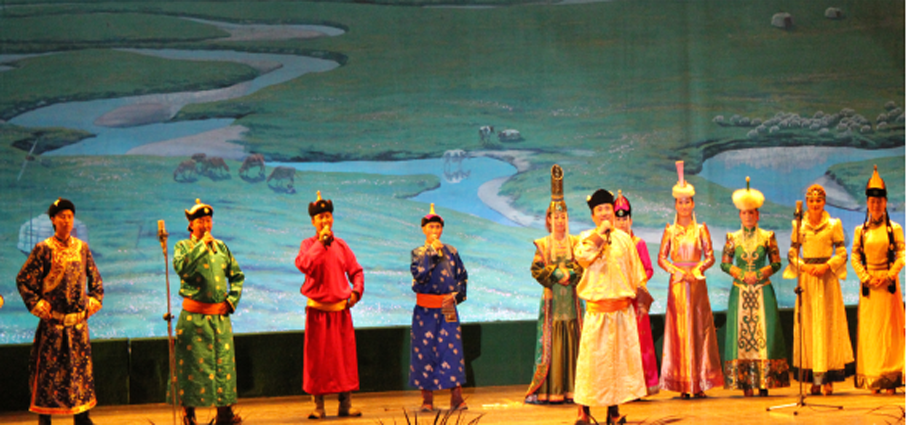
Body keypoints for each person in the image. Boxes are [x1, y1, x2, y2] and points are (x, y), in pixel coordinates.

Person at [17, 198, 103, 425]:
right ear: (53, 220)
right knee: (49, 375)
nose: (66, 220)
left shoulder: (82, 248)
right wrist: (37, 304)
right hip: (53, 325)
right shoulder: (43, 249)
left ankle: (82, 418)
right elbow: (24, 280)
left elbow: (95, 279)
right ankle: (45, 420)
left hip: (78, 326)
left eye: (70, 216)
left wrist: (94, 300)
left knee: (80, 375)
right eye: (62, 216)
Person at [573, 189, 648, 425]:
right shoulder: (586, 238)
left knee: (617, 364)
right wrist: (601, 234)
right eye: (599, 210)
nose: (605, 213)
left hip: (621, 312)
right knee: (592, 364)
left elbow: (636, 272)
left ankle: (613, 412)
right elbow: (583, 257)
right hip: (598, 312)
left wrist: (642, 299)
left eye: (607, 208)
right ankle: (583, 411)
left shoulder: (624, 240)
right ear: (593, 215)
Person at [172, 199, 245, 425]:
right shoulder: (183, 247)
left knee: (222, 365)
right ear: (191, 225)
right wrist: (201, 247)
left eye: (208, 221)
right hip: (194, 319)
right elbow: (182, 268)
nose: (205, 225)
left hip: (219, 318)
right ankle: (189, 414)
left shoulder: (221, 247)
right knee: (192, 367)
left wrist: (231, 301)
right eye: (200, 221)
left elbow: (237, 276)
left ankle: (224, 413)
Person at [656, 162, 723, 399]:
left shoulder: (701, 229)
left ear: (693, 204)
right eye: (680, 202)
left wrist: (697, 269)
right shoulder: (669, 230)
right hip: (677, 285)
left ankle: (700, 381)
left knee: (698, 329)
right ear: (675, 204)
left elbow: (711, 256)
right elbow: (661, 258)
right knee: (679, 331)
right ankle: (683, 383)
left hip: (696, 284)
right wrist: (676, 271)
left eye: (687, 202)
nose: (684, 206)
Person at [296, 191, 365, 419]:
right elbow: (304, 265)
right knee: (318, 361)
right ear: (313, 222)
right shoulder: (308, 245)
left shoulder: (342, 245)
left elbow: (356, 271)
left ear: (332, 218)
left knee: (343, 360)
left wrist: (356, 292)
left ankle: (345, 404)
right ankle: (318, 406)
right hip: (317, 312)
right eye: (320, 217)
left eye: (327, 216)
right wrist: (320, 244)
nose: (324, 220)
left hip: (340, 312)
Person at [720, 177, 790, 397]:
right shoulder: (732, 238)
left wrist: (759, 274)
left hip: (762, 290)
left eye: (752, 213)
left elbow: (776, 263)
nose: (748, 216)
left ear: (757, 214)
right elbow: (724, 263)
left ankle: (764, 381)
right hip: (740, 291)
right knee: (741, 336)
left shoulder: (768, 237)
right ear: (739, 215)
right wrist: (741, 274)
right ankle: (744, 382)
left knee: (765, 334)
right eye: (744, 213)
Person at [783, 184, 854, 396]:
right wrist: (804, 266)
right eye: (812, 201)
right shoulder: (799, 225)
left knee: (827, 326)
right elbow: (792, 253)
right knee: (809, 326)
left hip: (826, 279)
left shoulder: (833, 224)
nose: (815, 204)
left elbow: (842, 252)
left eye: (819, 200)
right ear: (807, 202)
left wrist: (827, 266)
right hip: (808, 280)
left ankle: (828, 378)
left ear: (824, 202)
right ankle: (812, 378)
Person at [525, 165, 584, 404]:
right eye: (555, 217)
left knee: (574, 341)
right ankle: (551, 391)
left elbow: (583, 266)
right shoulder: (543, 244)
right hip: (552, 304)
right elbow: (536, 270)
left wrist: (571, 273)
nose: (560, 221)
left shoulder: (576, 242)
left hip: (572, 302)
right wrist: (557, 273)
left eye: (563, 217)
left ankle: (574, 390)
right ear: (549, 220)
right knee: (553, 344)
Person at [410, 203, 469, 411]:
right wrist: (432, 252)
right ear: (424, 230)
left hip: (447, 307)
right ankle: (427, 400)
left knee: (452, 350)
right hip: (425, 309)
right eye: (430, 227)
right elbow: (420, 275)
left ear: (441, 229)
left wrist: (457, 295)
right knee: (425, 351)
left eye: (437, 227)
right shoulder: (418, 253)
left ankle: (456, 397)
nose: (434, 231)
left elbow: (462, 276)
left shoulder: (452, 252)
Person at [851, 165, 905, 394]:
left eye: (879, 201)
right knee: (871, 333)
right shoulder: (860, 231)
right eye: (872, 202)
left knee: (890, 332)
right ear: (867, 203)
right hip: (870, 288)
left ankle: (890, 378)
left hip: (888, 286)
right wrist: (865, 277)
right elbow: (855, 256)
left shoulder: (895, 229)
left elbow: (902, 254)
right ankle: (873, 377)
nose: (876, 205)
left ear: (885, 203)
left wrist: (889, 275)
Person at [613, 190, 659, 396]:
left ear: (630, 220)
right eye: (618, 219)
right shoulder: (610, 244)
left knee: (640, 343)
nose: (622, 223)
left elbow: (648, 269)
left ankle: (643, 386)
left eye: (625, 219)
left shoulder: (638, 243)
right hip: (618, 300)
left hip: (636, 300)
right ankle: (623, 388)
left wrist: (636, 283)